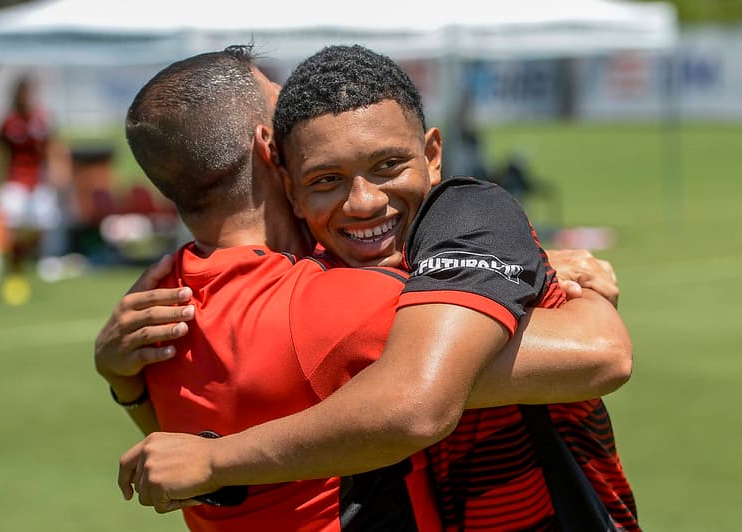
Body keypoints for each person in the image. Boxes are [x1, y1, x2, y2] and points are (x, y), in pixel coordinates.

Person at [96, 45, 634, 531]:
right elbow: (596, 356)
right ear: (272, 150)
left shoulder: (156, 307)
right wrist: (567, 286)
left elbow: (194, 432)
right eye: (286, 105)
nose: (363, 200)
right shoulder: (339, 303)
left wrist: (122, 381)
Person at [0, 74, 71, 303]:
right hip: (15, 180)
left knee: (44, 221)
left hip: (38, 180)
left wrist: (58, 170)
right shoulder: (8, 122)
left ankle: (43, 259)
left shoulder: (41, 119)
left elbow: (54, 147)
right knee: (10, 222)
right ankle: (12, 261)